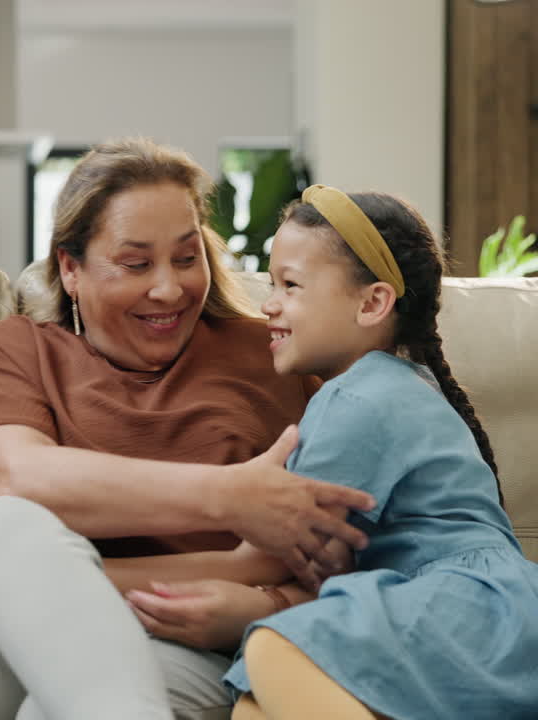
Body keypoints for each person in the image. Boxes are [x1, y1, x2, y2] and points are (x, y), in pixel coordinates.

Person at [0, 138, 377, 720]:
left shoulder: (272, 352)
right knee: (5, 521)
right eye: (136, 264)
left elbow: (327, 551)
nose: (168, 288)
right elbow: (17, 477)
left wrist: (252, 595)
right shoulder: (20, 352)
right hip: (21, 650)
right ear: (70, 268)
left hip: (205, 655)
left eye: (187, 259)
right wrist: (232, 501)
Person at [219, 186, 538, 719]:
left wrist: (129, 582)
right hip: (501, 613)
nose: (268, 304)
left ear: (372, 303)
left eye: (290, 286)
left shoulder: (358, 396)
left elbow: (278, 557)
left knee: (276, 645)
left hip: (463, 609)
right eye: (271, 284)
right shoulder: (402, 385)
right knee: (254, 701)